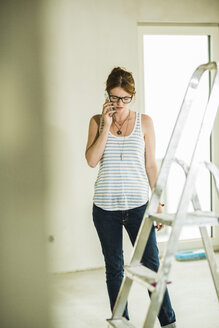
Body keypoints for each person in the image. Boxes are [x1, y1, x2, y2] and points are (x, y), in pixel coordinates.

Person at [85, 67, 176, 327]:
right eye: (114, 97)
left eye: (125, 98)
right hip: (104, 210)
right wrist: (106, 125)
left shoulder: (145, 122)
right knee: (114, 269)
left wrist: (157, 201)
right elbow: (92, 161)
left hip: (139, 207)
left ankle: (168, 322)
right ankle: (121, 322)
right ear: (107, 96)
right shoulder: (96, 121)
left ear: (132, 97)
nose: (119, 104)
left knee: (151, 268)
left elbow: (151, 165)